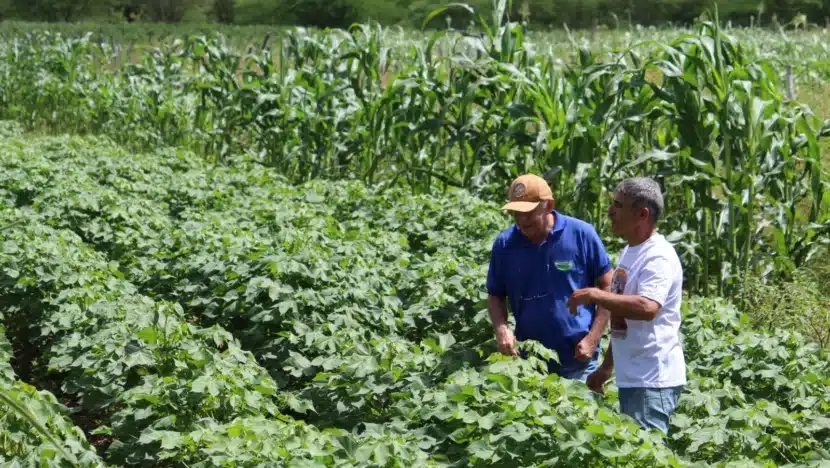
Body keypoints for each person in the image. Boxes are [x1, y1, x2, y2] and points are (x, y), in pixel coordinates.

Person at [567, 177, 686, 436]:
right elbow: (623, 320)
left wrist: (596, 295)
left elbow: (647, 307)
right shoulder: (631, 251)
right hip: (634, 377)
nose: (610, 211)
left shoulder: (658, 256)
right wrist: (607, 368)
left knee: (647, 459)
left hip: (652, 380)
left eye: (618, 205)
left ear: (642, 214)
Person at [486, 174, 614, 382]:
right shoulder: (505, 245)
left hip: (578, 361)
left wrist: (593, 338)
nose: (522, 220)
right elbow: (495, 295)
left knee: (580, 414)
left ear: (549, 205)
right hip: (529, 363)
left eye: (529, 213)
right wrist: (502, 330)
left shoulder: (581, 234)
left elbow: (609, 285)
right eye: (516, 213)